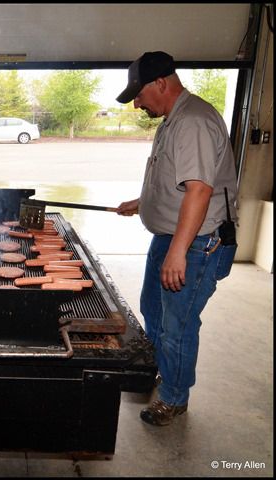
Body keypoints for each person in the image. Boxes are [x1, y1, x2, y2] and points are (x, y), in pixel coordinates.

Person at [115, 51, 238, 426]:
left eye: (139, 94)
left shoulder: (194, 122)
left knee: (177, 326)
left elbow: (199, 191)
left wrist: (178, 253)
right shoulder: (173, 120)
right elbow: (178, 183)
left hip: (196, 244)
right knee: (152, 310)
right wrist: (143, 203)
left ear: (161, 83)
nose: (136, 103)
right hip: (172, 237)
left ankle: (173, 397)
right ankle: (160, 371)